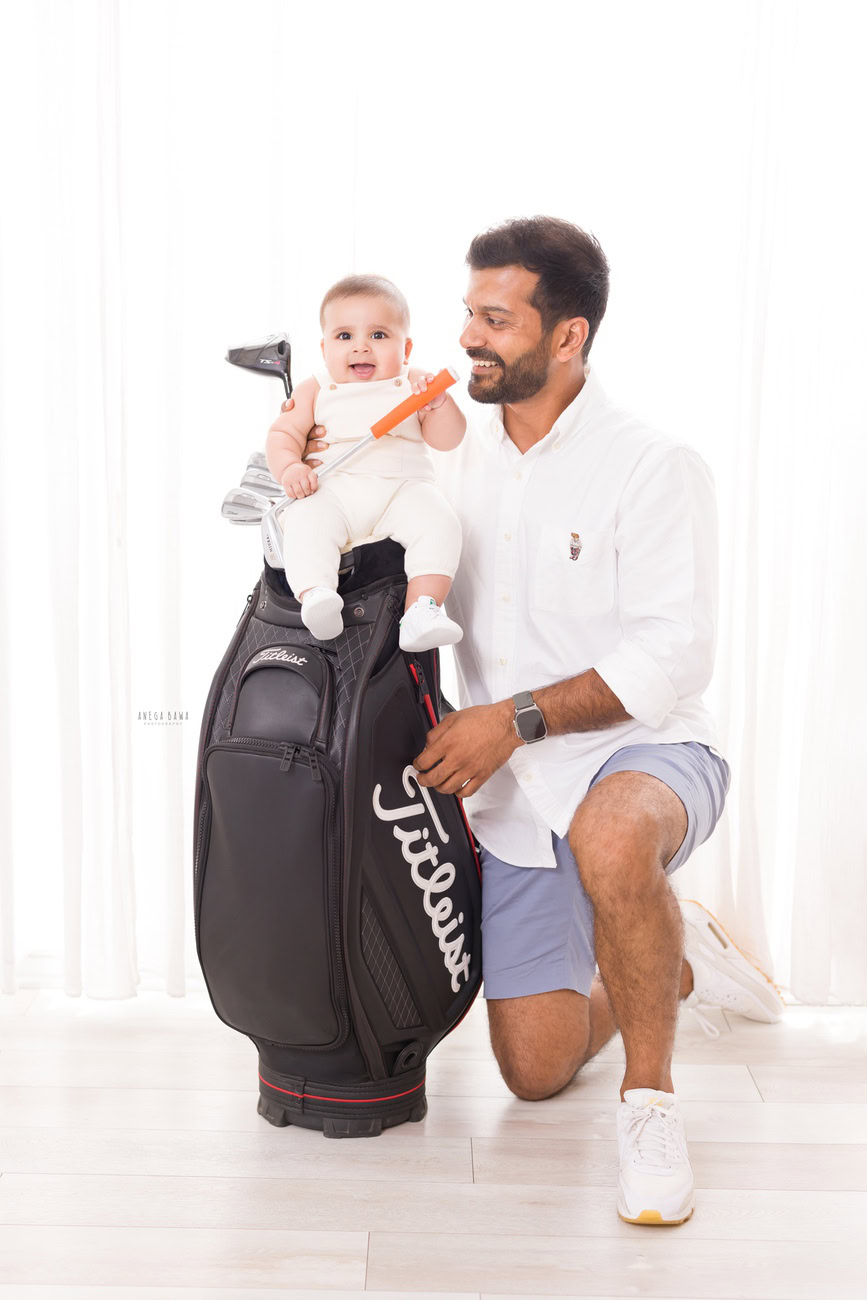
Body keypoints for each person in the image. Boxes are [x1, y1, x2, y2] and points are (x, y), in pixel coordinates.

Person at [271, 216, 784, 1226]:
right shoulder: (445, 451)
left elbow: (674, 654)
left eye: (494, 319)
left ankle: (651, 1108)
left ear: (567, 336)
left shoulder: (653, 464)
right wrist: (303, 464)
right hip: (512, 786)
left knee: (614, 832)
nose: (467, 336)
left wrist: (511, 717)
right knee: (535, 1070)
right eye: (466, 312)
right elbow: (352, 511)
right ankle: (670, 963)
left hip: (644, 747)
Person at [265, 273, 466, 651]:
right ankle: (316, 595)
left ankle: (423, 610)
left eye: (378, 335)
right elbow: (282, 435)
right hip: (334, 490)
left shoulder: (416, 383)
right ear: (324, 348)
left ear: (405, 350)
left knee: (441, 523)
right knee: (307, 521)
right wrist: (291, 468)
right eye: (345, 337)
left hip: (403, 492)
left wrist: (438, 404)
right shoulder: (317, 388)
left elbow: (448, 439)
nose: (361, 348)